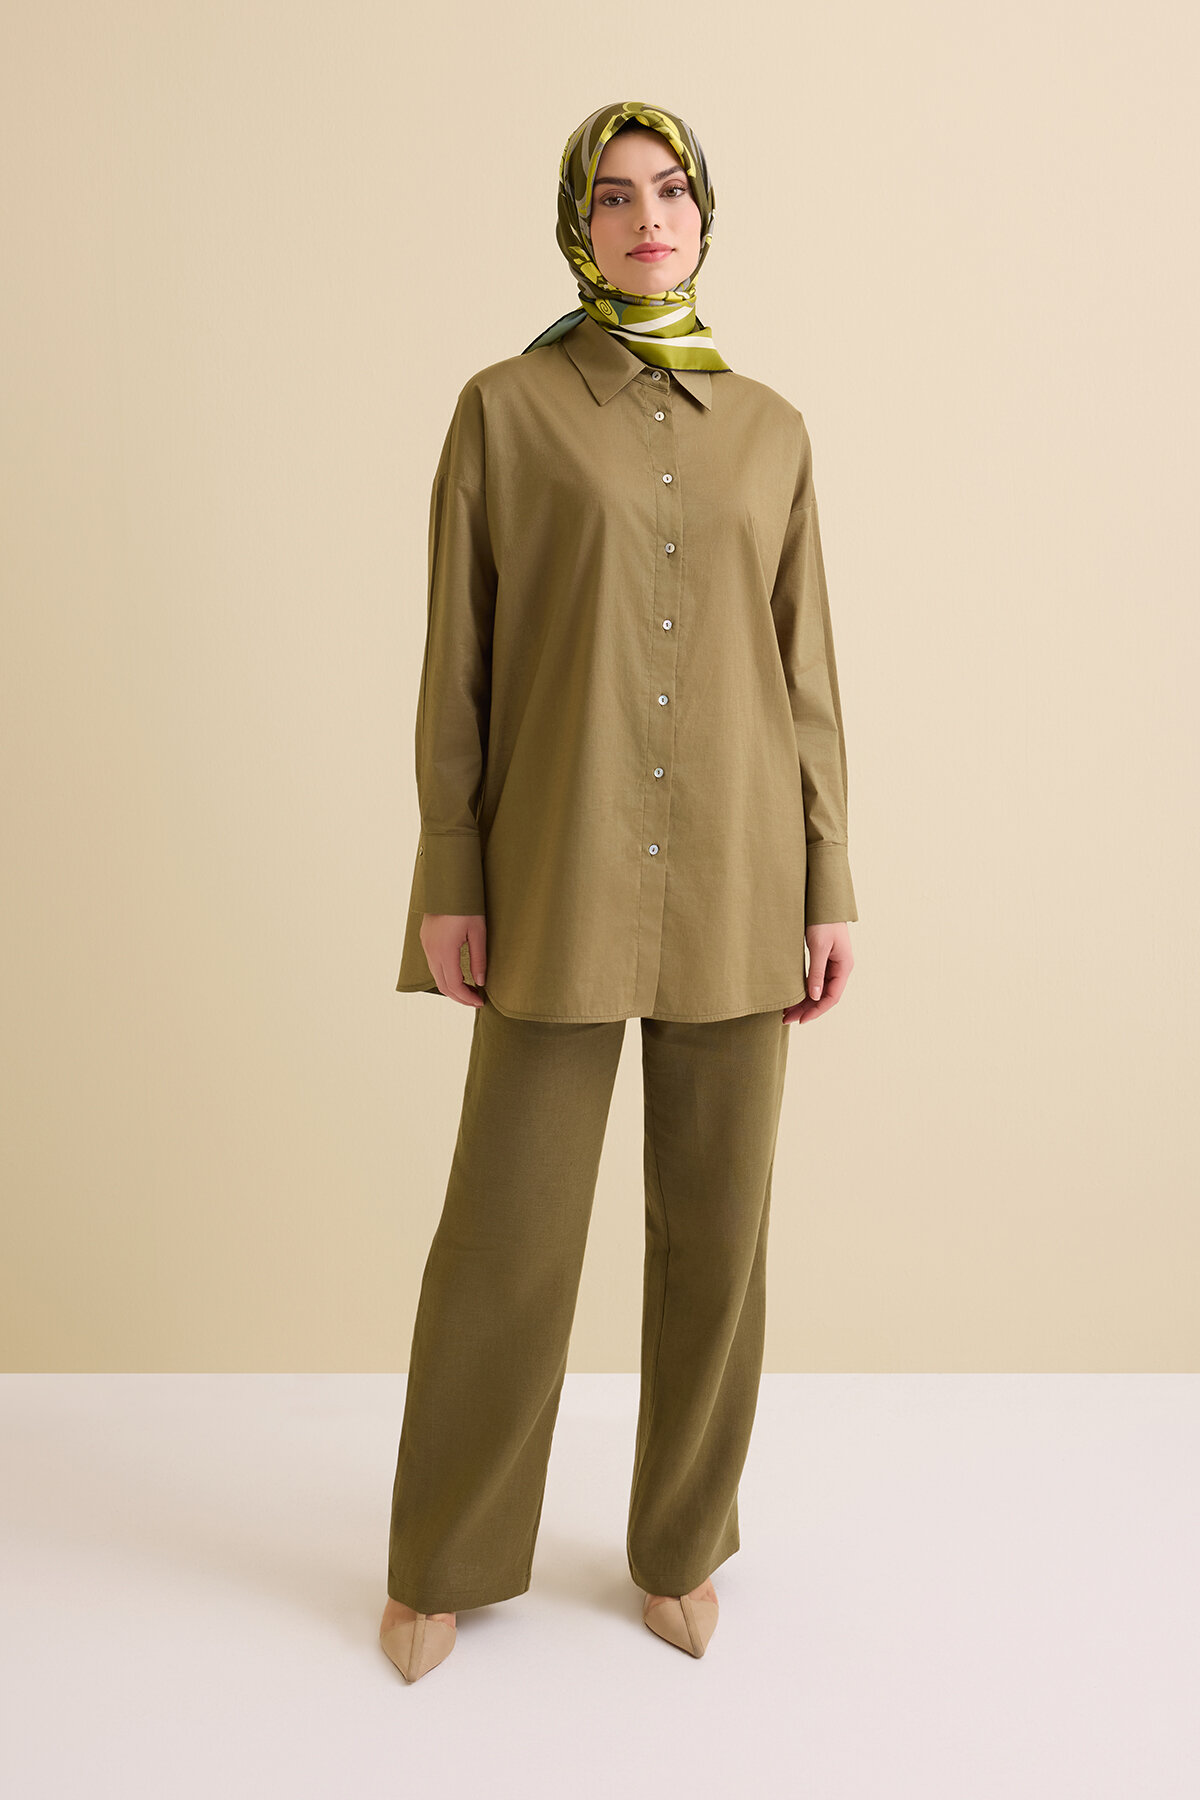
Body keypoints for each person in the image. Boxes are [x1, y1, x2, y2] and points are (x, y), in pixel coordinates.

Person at [379, 99, 858, 1682]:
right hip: (554, 866)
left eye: (672, 191)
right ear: (574, 225)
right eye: (612, 196)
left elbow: (805, 673)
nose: (647, 218)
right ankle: (443, 1557)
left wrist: (828, 879)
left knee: (719, 1235)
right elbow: (457, 660)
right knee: (506, 1233)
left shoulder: (773, 432)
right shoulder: (505, 412)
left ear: (706, 215)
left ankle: (680, 1544)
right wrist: (451, 867)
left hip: (742, 872)